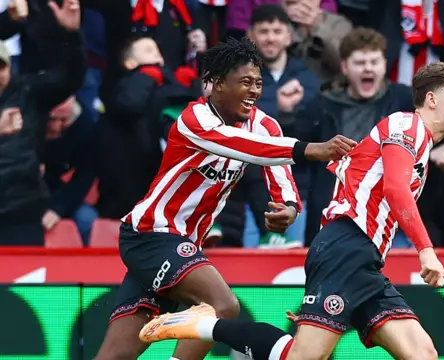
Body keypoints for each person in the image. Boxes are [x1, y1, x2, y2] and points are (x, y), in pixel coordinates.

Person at [137, 62, 444, 360]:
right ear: (431, 100)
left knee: (422, 354)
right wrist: (426, 252)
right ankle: (208, 326)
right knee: (303, 357)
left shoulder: (419, 141)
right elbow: (395, 189)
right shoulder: (407, 124)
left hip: (364, 262)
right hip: (346, 248)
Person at [93, 36, 356, 360]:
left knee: (115, 354)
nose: (255, 91)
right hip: (150, 235)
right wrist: (309, 149)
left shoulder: (265, 126)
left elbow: (279, 175)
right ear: (215, 84)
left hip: (183, 244)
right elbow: (243, 146)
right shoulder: (194, 120)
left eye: (259, 83)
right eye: (245, 82)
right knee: (222, 305)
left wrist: (288, 208)